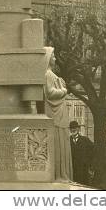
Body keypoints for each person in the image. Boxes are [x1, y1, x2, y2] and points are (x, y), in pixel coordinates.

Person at [43, 47, 73, 182]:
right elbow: (49, 92)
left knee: (62, 140)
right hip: (55, 113)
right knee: (58, 141)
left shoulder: (51, 74)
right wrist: (64, 90)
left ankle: (62, 174)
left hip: (59, 112)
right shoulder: (48, 74)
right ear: (48, 58)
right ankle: (59, 174)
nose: (55, 58)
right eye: (53, 56)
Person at [69, 120, 94, 185]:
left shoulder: (85, 140)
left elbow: (92, 151)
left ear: (78, 129)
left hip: (83, 169)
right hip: (72, 169)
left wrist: (88, 162)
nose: (73, 130)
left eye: (75, 128)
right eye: (71, 128)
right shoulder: (67, 141)